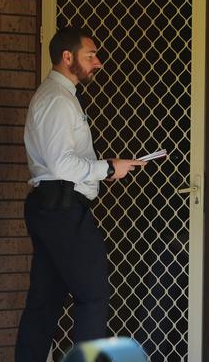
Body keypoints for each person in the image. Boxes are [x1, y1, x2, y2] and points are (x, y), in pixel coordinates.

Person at [15, 27, 147, 362]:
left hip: (52, 207)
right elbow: (61, 163)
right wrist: (106, 168)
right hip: (62, 210)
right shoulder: (58, 100)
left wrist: (106, 169)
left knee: (44, 303)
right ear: (67, 57)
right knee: (93, 295)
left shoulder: (59, 97)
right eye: (91, 55)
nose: (98, 63)